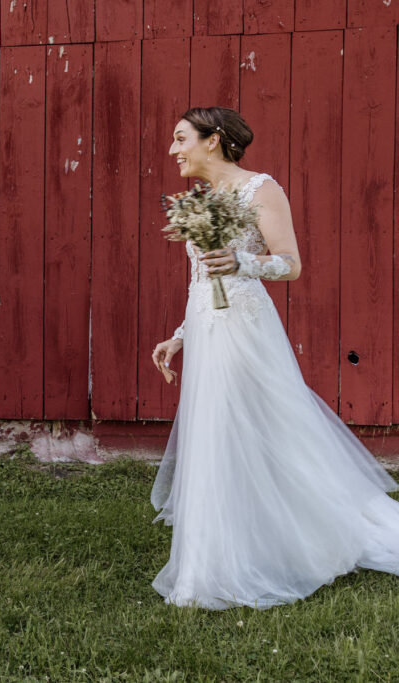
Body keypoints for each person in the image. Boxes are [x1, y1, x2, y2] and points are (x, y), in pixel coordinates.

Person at [150, 106, 399, 609]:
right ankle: (217, 554)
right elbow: (202, 279)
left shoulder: (261, 189)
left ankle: (290, 541)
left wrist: (242, 259)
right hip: (208, 327)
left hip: (245, 330)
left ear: (213, 140)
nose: (173, 150)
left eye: (181, 139)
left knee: (259, 431)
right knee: (216, 434)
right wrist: (182, 334)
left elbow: (290, 263)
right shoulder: (203, 200)